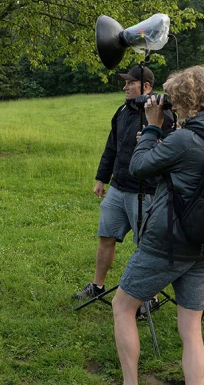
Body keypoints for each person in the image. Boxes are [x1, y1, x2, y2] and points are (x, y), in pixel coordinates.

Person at [100, 66, 204, 385]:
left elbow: (140, 167)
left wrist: (154, 129)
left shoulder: (185, 139)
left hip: (168, 242)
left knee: (123, 306)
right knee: (191, 328)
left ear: (186, 100)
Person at [73, 66, 175, 319]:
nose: (125, 87)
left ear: (147, 87)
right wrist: (101, 177)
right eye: (125, 83)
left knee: (148, 245)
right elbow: (112, 147)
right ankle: (97, 286)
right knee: (106, 236)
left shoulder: (164, 113)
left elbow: (172, 149)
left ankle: (149, 298)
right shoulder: (121, 112)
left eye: (130, 83)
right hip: (118, 189)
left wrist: (156, 135)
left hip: (147, 191)